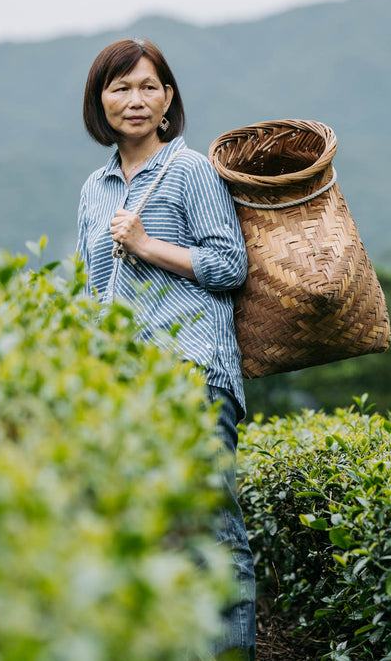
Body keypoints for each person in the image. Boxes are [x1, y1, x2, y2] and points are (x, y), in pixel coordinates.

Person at [74, 37, 256, 661]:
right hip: (124, 381)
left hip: (193, 369)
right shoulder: (93, 190)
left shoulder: (191, 170)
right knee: (143, 536)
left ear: (169, 98)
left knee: (212, 529)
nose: (136, 99)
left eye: (149, 86)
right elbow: (88, 290)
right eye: (121, 88)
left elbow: (231, 265)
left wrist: (150, 245)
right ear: (100, 102)